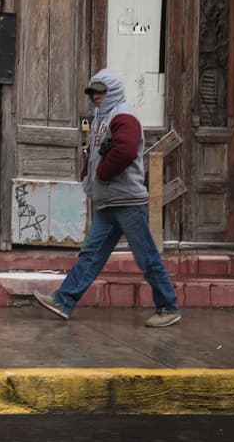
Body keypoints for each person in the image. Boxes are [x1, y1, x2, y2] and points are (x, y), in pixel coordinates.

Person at [34, 69, 182, 327]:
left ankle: (168, 307)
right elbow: (95, 153)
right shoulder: (102, 118)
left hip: (127, 202)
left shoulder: (123, 116)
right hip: (109, 202)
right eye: (93, 92)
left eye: (101, 92)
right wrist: (88, 175)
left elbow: (125, 151)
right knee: (91, 255)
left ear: (112, 91)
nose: (96, 96)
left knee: (146, 257)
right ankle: (63, 301)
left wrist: (102, 174)